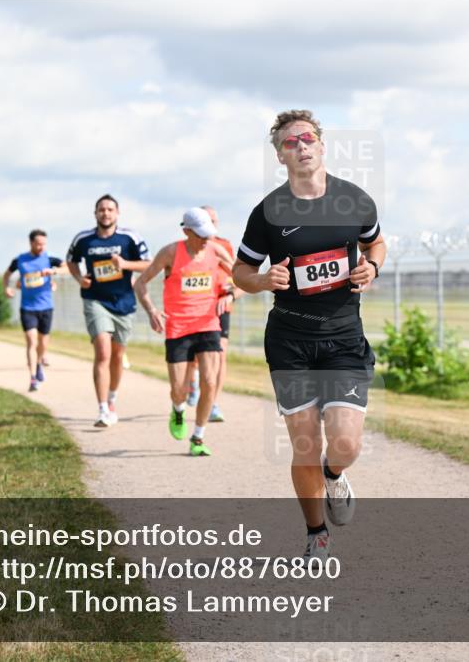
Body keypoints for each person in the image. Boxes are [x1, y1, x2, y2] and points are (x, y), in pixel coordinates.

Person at [232, 110, 386, 560]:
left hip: (342, 338)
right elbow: (241, 270)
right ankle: (316, 532)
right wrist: (263, 281)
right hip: (290, 342)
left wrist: (372, 265)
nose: (299, 146)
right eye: (288, 142)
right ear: (279, 156)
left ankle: (333, 474)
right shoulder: (268, 213)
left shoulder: (354, 200)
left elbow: (377, 241)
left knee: (344, 444)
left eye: (306, 138)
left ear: (321, 145)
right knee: (303, 443)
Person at [134, 207, 233, 456]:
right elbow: (141, 282)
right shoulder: (170, 253)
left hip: (208, 324)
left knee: (210, 382)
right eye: (200, 235)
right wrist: (152, 311)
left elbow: (242, 277)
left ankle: (198, 438)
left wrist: (230, 292)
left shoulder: (216, 250)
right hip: (178, 328)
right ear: (186, 231)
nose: (206, 240)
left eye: (209, 234)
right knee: (179, 389)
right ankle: (178, 410)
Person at [67, 194, 151, 428]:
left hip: (124, 302)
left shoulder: (129, 238)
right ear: (95, 213)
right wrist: (78, 278)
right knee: (103, 352)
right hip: (95, 300)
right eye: (101, 210)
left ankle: (112, 396)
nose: (105, 213)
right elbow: (71, 261)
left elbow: (148, 263)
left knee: (116, 355)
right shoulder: (84, 239)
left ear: (117, 213)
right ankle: (103, 409)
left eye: (110, 209)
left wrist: (124, 265)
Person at [183, 205, 242, 422]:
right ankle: (193, 383)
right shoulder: (188, 247)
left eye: (215, 221)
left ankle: (213, 403)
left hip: (220, 306)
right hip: (196, 308)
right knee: (193, 357)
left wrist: (231, 293)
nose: (212, 225)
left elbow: (237, 273)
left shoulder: (223, 245)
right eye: (208, 220)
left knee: (220, 355)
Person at [3, 229, 65, 392]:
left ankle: (38, 364)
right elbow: (6, 275)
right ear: (31, 243)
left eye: (44, 244)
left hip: (46, 307)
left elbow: (68, 267)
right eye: (38, 244)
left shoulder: (49, 258)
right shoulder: (20, 260)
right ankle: (32, 378)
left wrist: (54, 271)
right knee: (32, 341)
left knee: (43, 344)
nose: (41, 247)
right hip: (27, 307)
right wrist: (7, 288)